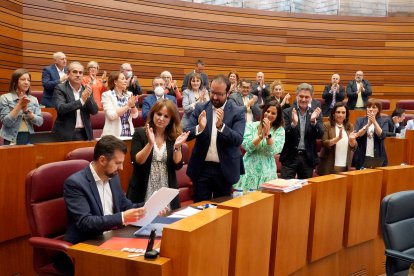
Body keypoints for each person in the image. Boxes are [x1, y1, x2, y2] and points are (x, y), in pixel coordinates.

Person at [64, 135, 146, 245]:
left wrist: (148, 207)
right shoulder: (76, 184)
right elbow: (85, 222)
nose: (121, 168)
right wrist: (122, 217)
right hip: (88, 244)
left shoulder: (113, 177)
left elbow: (125, 206)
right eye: (118, 163)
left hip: (114, 238)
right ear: (102, 160)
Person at [184, 75, 246, 202]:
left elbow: (238, 139)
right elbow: (186, 133)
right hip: (202, 168)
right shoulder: (200, 108)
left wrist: (221, 126)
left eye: (219, 94)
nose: (215, 97)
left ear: (227, 93)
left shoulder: (237, 111)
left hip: (225, 169)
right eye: (212, 92)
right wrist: (199, 128)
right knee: (199, 210)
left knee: (222, 212)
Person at [127, 100, 189, 210]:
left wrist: (177, 147)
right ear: (153, 114)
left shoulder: (173, 136)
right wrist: (150, 143)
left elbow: (177, 165)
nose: (161, 118)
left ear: (171, 120)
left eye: (166, 116)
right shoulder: (140, 133)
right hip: (143, 188)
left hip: (166, 188)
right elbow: (137, 162)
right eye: (159, 114)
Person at [233, 101, 285, 191]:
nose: (269, 115)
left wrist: (268, 135)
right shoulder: (251, 125)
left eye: (273, 113)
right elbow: (247, 147)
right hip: (249, 168)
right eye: (267, 111)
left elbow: (273, 151)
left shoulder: (280, 130)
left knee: (265, 201)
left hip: (267, 170)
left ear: (278, 116)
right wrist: (261, 136)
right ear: (264, 111)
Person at [279, 83, 324, 179]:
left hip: (307, 158)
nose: (303, 99)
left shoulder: (316, 113)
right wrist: (293, 124)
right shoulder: (287, 112)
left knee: (305, 190)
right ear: (296, 96)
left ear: (311, 98)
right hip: (290, 157)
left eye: (306, 97)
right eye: (301, 96)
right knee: (285, 188)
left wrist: (313, 121)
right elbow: (282, 134)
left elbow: (320, 134)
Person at [52, 62, 99, 141]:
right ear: (68, 73)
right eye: (75, 72)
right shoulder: (60, 88)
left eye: (80, 72)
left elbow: (94, 111)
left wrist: (89, 97)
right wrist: (81, 100)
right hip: (65, 133)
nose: (78, 75)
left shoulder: (85, 89)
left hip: (85, 133)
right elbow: (61, 108)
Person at [0, 69, 43, 145]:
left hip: (29, 138)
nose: (26, 82)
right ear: (15, 82)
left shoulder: (33, 99)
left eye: (28, 80)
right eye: (23, 79)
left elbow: (40, 122)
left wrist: (26, 111)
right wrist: (19, 105)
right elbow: (6, 122)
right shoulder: (5, 98)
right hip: (11, 138)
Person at [317, 102, 357, 175]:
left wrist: (352, 141)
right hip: (328, 164)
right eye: (338, 112)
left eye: (343, 112)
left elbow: (354, 147)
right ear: (333, 114)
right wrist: (337, 139)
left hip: (345, 164)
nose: (340, 115)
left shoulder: (350, 126)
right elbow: (324, 143)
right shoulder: (327, 125)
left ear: (346, 115)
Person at [353, 98, 388, 169]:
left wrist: (374, 122)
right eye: (369, 107)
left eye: (374, 107)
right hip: (362, 154)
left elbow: (382, 135)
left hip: (378, 155)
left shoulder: (384, 121)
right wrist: (367, 125)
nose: (371, 109)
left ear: (378, 109)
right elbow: (357, 135)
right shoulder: (360, 120)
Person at [101, 71, 139, 137]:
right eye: (123, 79)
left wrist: (132, 105)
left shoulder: (129, 94)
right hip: (113, 135)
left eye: (125, 79)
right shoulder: (107, 95)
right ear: (115, 82)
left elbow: (135, 115)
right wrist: (128, 106)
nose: (126, 81)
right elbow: (111, 116)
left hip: (129, 134)